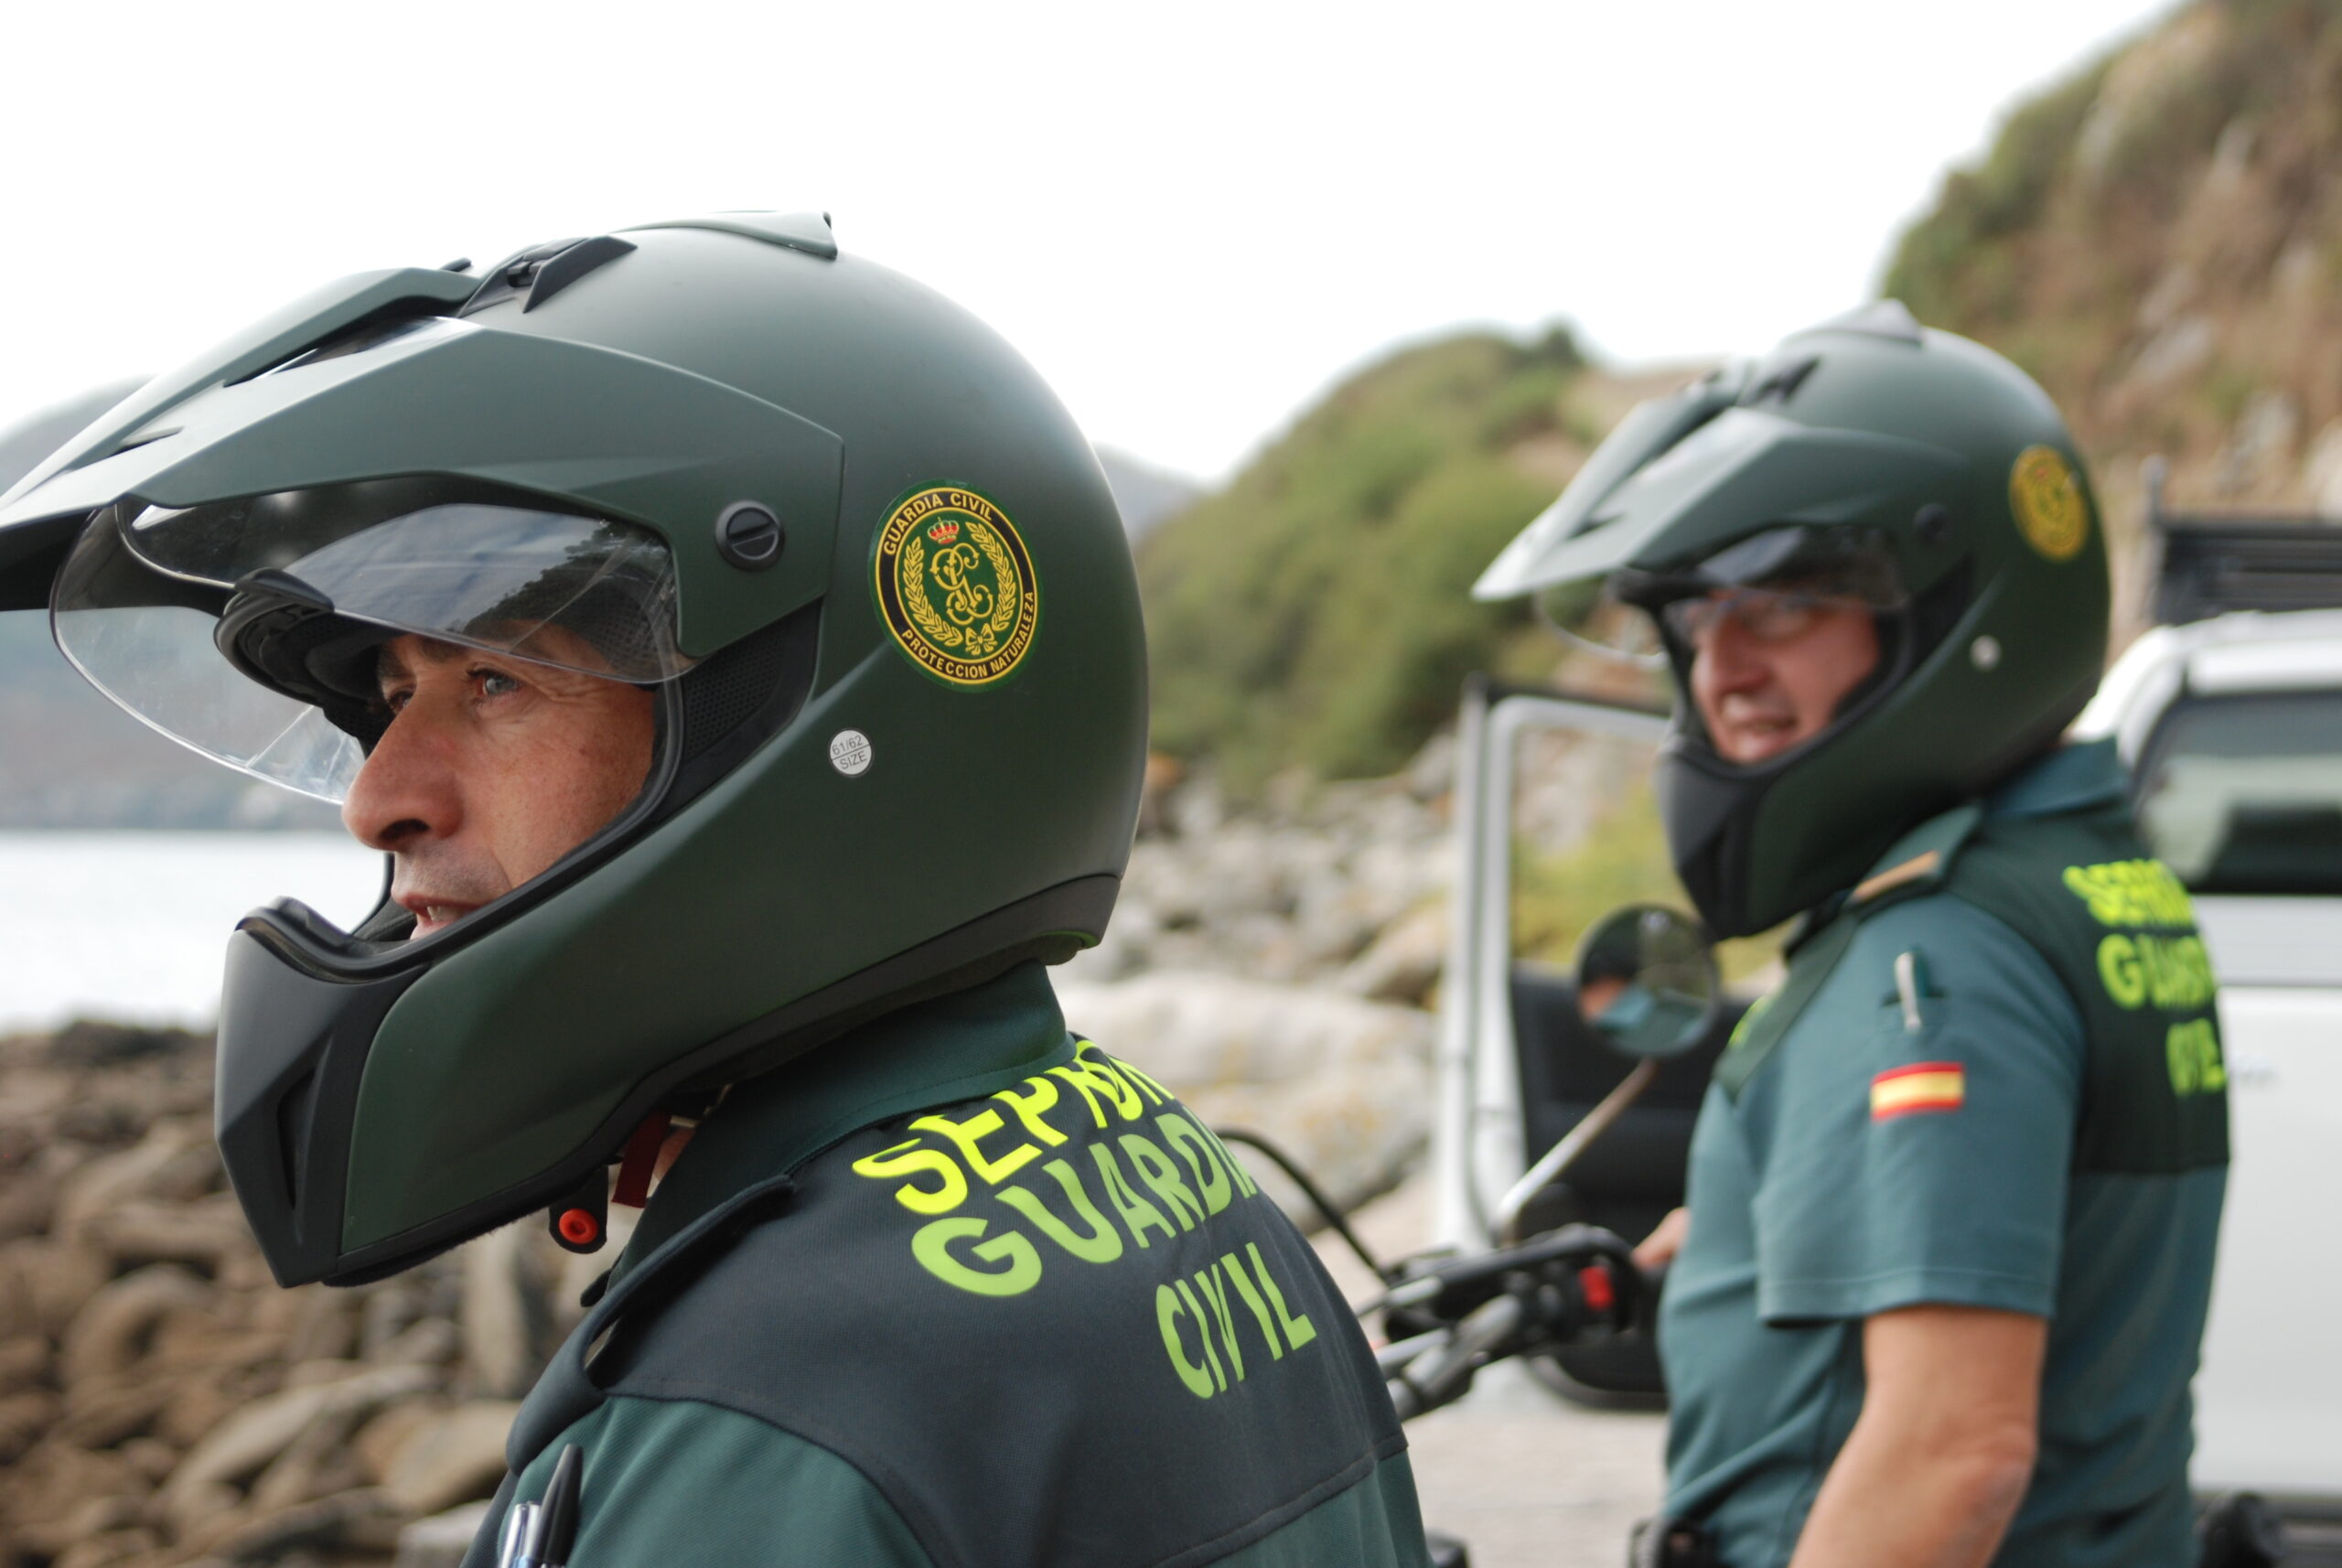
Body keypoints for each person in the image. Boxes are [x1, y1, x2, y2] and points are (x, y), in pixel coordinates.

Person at [0, 215, 1432, 1567]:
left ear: (794, 718)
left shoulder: (770, 1408)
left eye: (494, 678)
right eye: (390, 700)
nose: (382, 795)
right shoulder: (1162, 1172)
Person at [1475, 302, 2229, 1568]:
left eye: (1782, 601)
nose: (1721, 666)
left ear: (1951, 612)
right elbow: (2022, 1206)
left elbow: (1955, 1452)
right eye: (1696, 615)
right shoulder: (2087, 877)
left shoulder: (1935, 957)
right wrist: (1717, 1242)